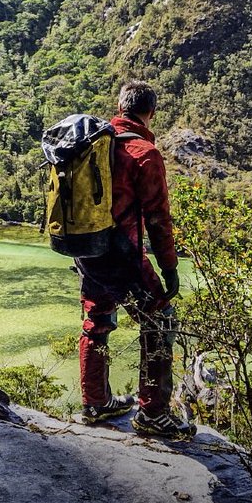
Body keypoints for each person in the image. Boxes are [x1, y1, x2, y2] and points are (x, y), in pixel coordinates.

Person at [77, 79, 196, 441]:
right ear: (150, 112)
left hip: (87, 250)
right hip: (122, 255)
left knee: (96, 320)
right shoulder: (144, 152)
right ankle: (152, 414)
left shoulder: (92, 143)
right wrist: (170, 266)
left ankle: (95, 403)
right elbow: (158, 217)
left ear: (120, 106)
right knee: (159, 321)